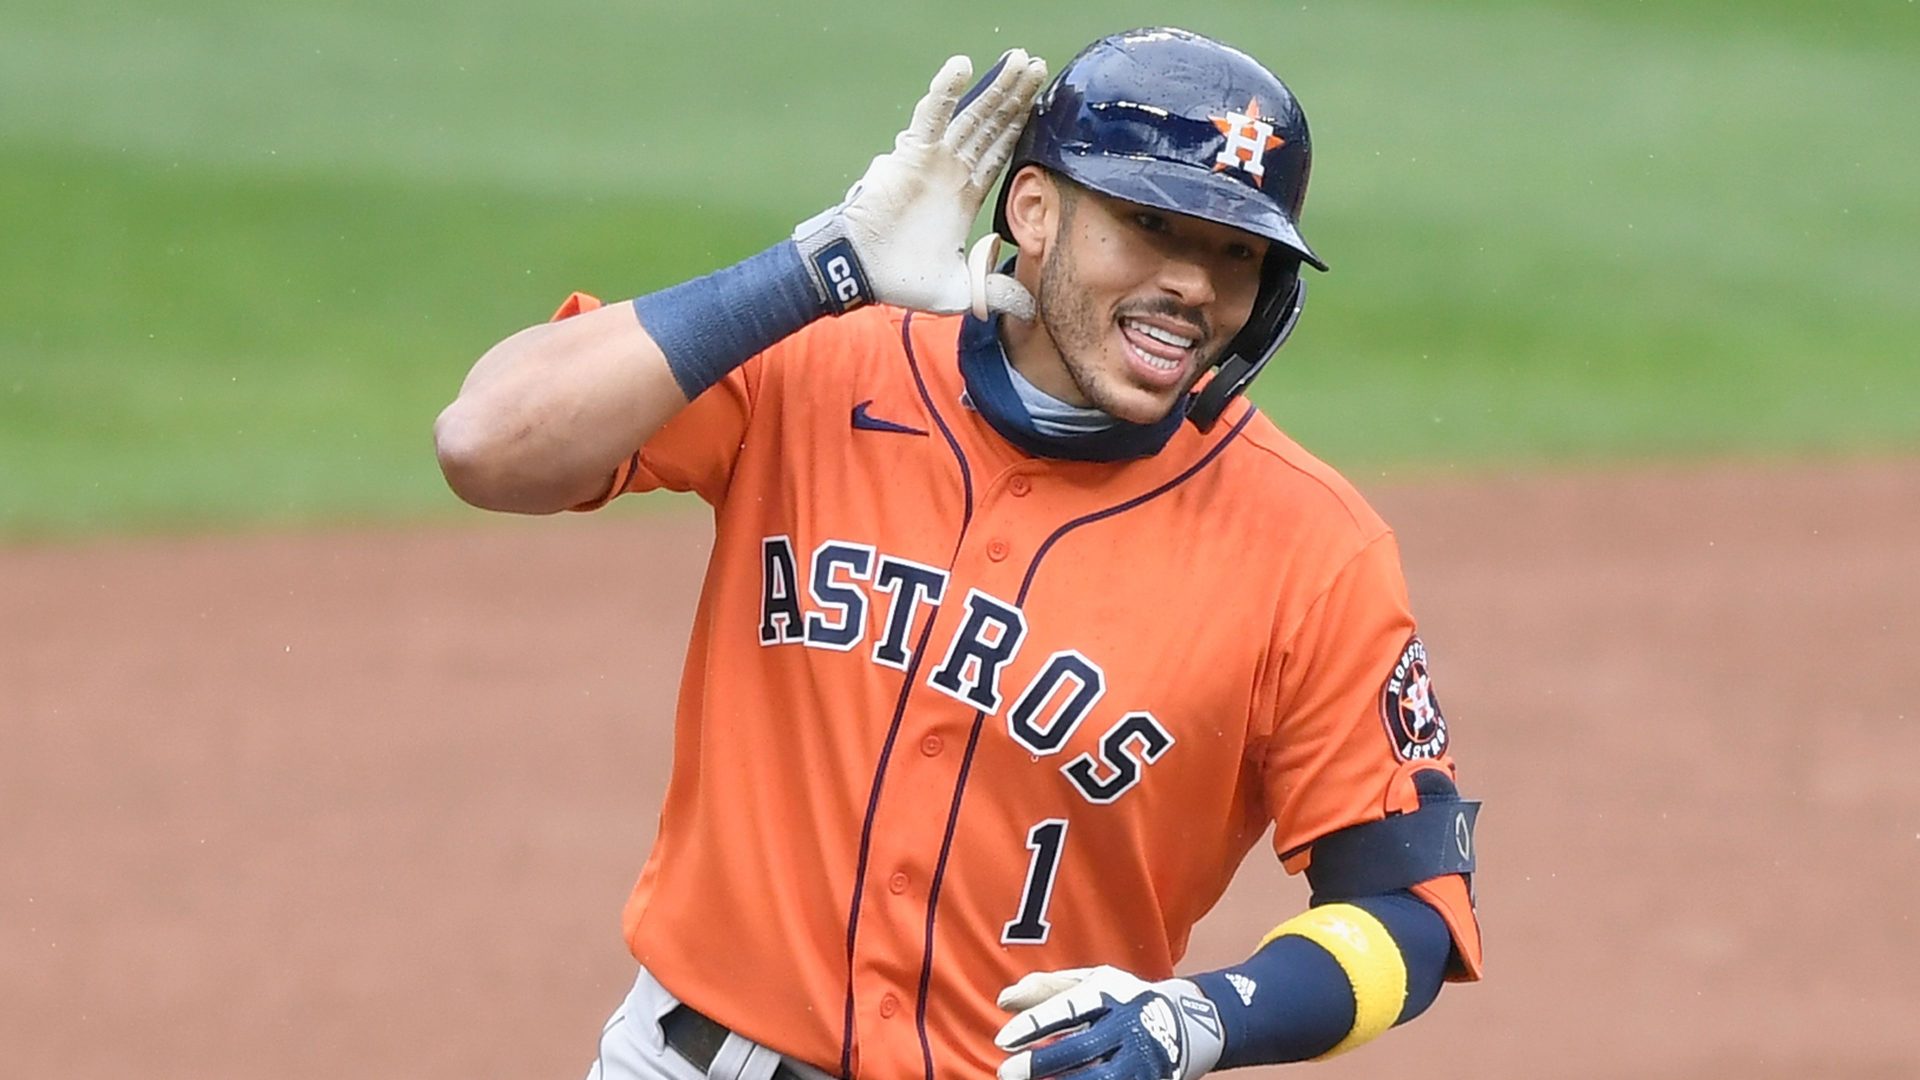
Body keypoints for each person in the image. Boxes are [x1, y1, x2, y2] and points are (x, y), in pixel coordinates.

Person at [435, 26, 1482, 1080]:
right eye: (1151, 224)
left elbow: (1410, 911)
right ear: (1033, 209)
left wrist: (1201, 1018)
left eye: (1235, 252)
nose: (1193, 284)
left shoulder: (1312, 547)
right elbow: (486, 445)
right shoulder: (822, 363)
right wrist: (816, 270)